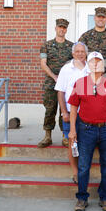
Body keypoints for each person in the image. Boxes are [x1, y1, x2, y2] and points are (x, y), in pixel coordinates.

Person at [68, 51, 106, 211]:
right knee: (84, 166)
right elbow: (74, 107)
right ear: (88, 65)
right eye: (92, 61)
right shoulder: (80, 83)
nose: (95, 64)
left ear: (103, 65)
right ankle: (82, 198)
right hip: (86, 129)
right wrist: (72, 130)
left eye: (99, 61)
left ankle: (105, 197)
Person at [54, 42, 90, 184]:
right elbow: (60, 92)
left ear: (86, 53)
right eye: (77, 51)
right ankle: (75, 172)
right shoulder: (66, 69)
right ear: (73, 53)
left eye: (83, 51)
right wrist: (64, 112)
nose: (80, 54)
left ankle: (84, 170)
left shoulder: (90, 68)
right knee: (72, 143)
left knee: (86, 143)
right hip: (70, 112)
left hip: (87, 114)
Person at [39, 18, 73, 148]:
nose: (62, 29)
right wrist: (54, 76)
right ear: (55, 28)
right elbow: (43, 64)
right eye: (60, 27)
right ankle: (47, 136)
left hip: (66, 84)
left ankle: (65, 136)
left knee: (65, 110)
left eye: (64, 28)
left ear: (66, 30)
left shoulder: (71, 46)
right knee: (50, 109)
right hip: (51, 82)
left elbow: (73, 63)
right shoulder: (46, 45)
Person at [79, 7, 106, 76]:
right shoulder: (85, 36)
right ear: (94, 18)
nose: (101, 19)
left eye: (103, 17)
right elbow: (80, 55)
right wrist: (89, 68)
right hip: (88, 74)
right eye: (98, 17)